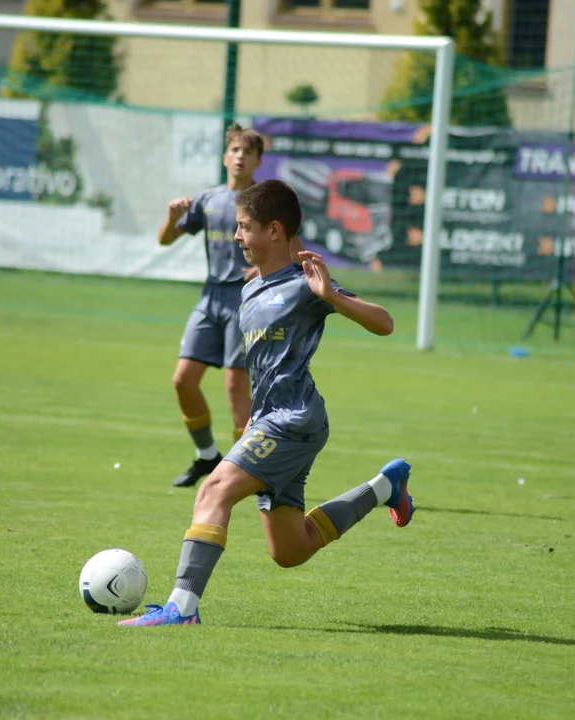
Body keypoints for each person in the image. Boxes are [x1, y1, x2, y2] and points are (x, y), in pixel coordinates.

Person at [120, 179, 414, 627]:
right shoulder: (250, 286)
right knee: (291, 550)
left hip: (291, 419)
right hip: (276, 421)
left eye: (244, 227)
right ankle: (385, 487)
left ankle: (182, 608)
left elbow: (385, 322)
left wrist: (331, 297)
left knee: (213, 490)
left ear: (275, 230)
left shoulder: (305, 283)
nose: (236, 236)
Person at [158, 123, 264, 489]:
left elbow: (292, 247)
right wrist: (173, 218)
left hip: (244, 300)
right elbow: (165, 240)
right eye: (235, 150)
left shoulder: (264, 202)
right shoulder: (209, 199)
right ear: (225, 157)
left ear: (258, 161)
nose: (240, 157)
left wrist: (264, 269)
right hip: (209, 298)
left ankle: (244, 473)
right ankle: (207, 457)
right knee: (183, 381)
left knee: (237, 387)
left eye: (247, 153)